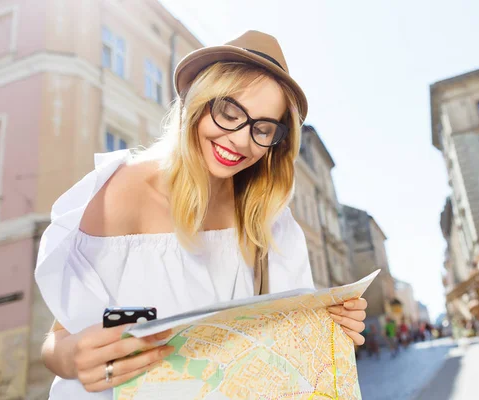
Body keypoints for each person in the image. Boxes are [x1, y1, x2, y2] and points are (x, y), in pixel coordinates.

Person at [35, 31, 368, 399]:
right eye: (229, 112)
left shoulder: (269, 221)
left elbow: (283, 350)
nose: (241, 141)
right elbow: (59, 339)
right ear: (198, 101)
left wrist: (331, 326)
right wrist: (71, 358)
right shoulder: (120, 192)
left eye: (262, 128)